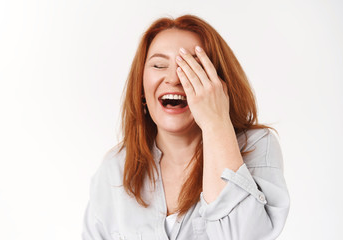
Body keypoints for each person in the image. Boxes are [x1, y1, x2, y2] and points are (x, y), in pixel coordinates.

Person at [82, 14, 290, 240]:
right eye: (159, 65)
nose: (173, 78)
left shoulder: (257, 146)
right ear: (141, 90)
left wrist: (215, 122)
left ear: (217, 84)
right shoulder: (115, 167)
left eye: (192, 66)